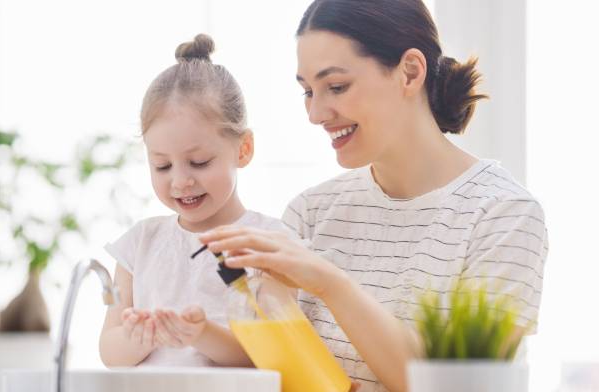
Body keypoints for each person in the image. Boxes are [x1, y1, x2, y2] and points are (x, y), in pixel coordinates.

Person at [200, 1, 548, 391]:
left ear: (410, 72)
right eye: (308, 92)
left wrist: (329, 283)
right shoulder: (311, 211)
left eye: (336, 87)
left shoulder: (503, 214)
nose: (315, 113)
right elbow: (283, 369)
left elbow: (454, 385)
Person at [99, 34, 285, 368]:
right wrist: (144, 334)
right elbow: (110, 353)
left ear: (243, 149)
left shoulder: (269, 242)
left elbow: (272, 356)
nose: (181, 180)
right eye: (162, 166)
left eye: (199, 162)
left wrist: (201, 334)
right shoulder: (139, 245)